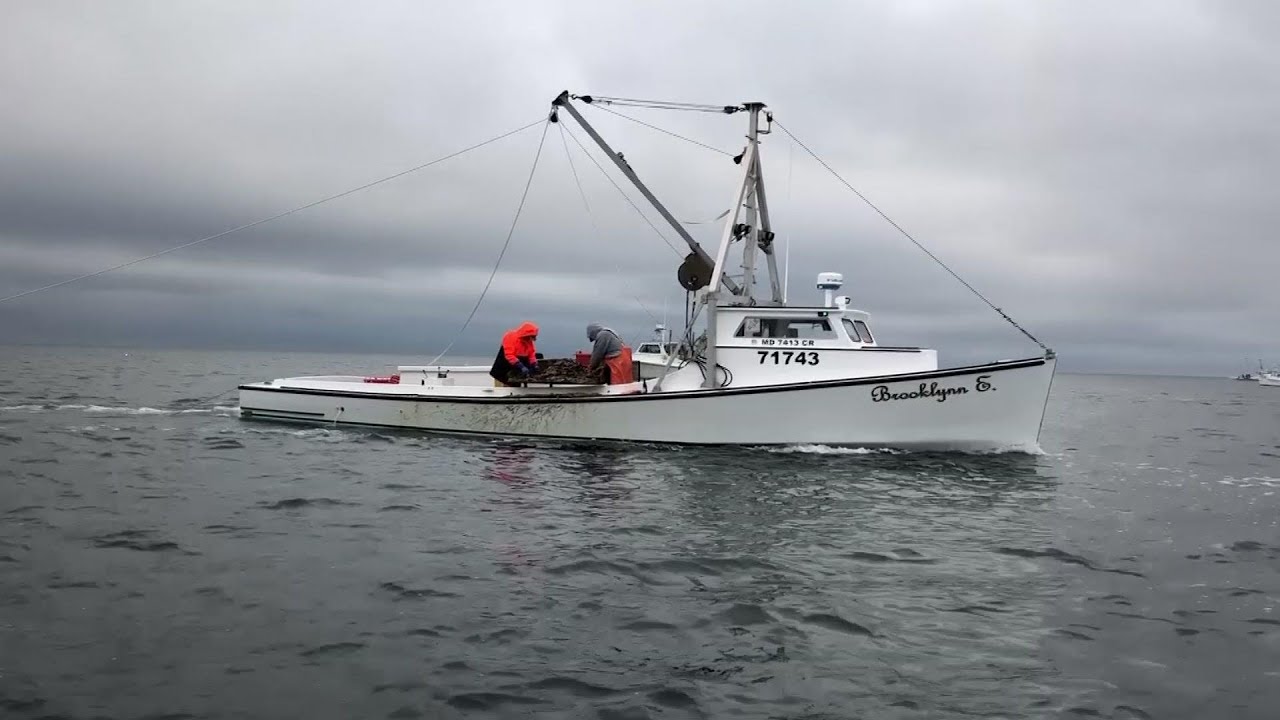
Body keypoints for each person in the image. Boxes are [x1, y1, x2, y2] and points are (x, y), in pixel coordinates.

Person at [489, 321, 540, 386]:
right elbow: (509, 355)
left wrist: (534, 364)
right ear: (527, 335)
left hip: (515, 366)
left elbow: (531, 354)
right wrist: (521, 366)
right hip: (504, 364)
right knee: (502, 378)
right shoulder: (510, 336)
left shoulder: (529, 342)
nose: (534, 339)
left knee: (515, 384)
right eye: (533, 337)